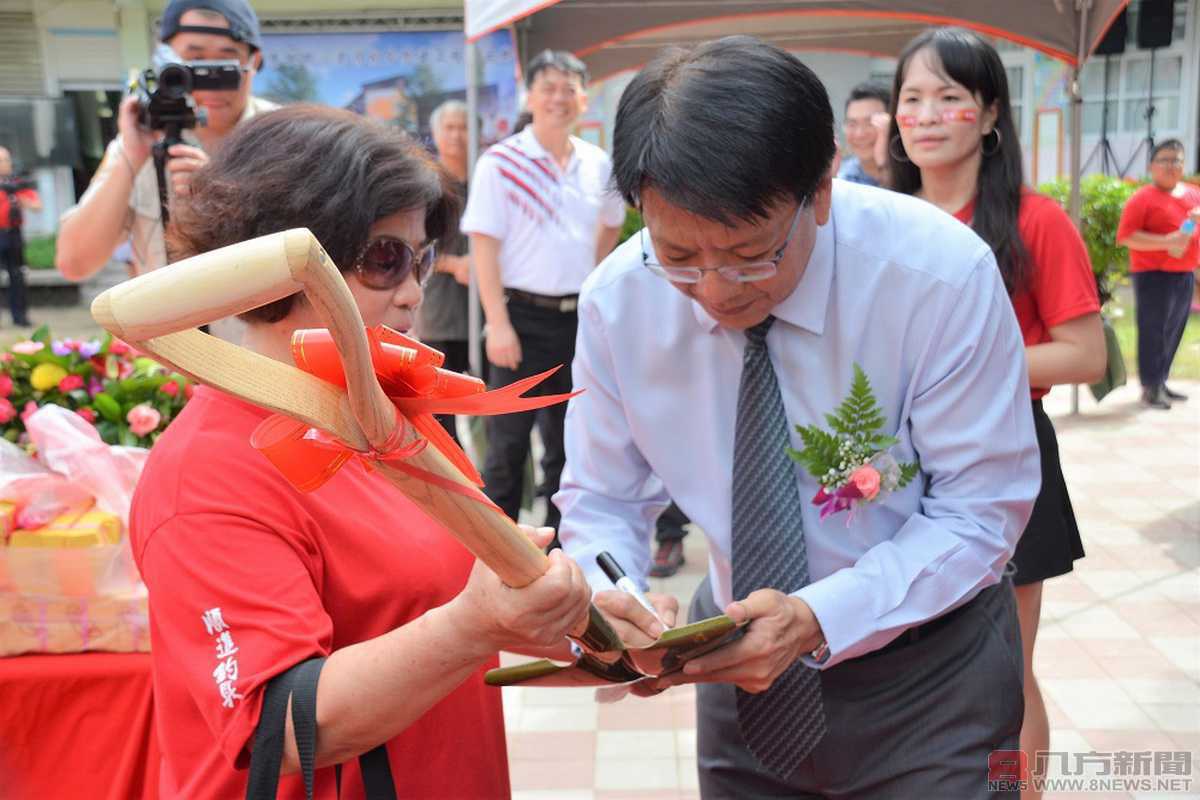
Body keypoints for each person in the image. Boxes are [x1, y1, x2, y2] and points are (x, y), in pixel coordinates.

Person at [557, 35, 1040, 797]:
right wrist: (612, 593)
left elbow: (981, 511)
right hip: (741, 677)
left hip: (928, 673)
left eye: (751, 253)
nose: (715, 290)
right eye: (679, 255)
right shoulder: (620, 303)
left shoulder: (938, 277)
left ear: (820, 190)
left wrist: (818, 618)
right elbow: (603, 497)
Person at [131, 105, 591, 799]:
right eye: (384, 259)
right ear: (275, 264)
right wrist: (475, 624)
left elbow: (455, 607)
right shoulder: (206, 472)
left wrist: (609, 642)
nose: (412, 290)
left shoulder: (393, 412)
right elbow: (278, 728)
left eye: (422, 257)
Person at [887, 28, 1106, 798]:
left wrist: (969, 365)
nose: (927, 114)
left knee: (1003, 667)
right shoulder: (879, 219)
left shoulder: (1034, 221)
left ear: (989, 116)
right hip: (895, 468)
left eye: (950, 97)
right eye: (912, 99)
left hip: (1007, 456)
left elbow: (1085, 355)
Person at [461, 50, 625, 529]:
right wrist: (497, 323)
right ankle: (500, 555)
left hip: (577, 321)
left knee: (569, 444)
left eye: (568, 88)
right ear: (529, 96)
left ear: (583, 97)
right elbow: (483, 247)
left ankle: (558, 550)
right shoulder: (502, 162)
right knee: (508, 444)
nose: (559, 98)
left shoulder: (598, 163)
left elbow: (610, 227)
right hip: (520, 320)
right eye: (548, 87)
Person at [56, 0, 276, 342]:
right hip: (170, 367)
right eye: (195, 60)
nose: (209, 79)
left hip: (266, 360)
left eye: (226, 59)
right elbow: (75, 263)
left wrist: (227, 199)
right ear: (165, 62)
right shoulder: (138, 145)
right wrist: (132, 155)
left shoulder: (289, 139)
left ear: (254, 62)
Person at [1116, 139, 1200, 409]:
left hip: (1184, 272)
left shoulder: (1193, 195)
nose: (1171, 166)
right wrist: (1167, 241)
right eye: (1164, 160)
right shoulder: (1142, 198)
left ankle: (1161, 381)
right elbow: (1127, 237)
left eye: (1177, 160)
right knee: (1153, 330)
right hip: (1153, 274)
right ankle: (1150, 387)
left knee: (1174, 330)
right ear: (1152, 166)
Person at [416, 100, 472, 442]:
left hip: (488, 313)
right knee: (441, 413)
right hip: (440, 312)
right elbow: (411, 245)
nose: (456, 135)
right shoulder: (425, 182)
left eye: (463, 127)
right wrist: (453, 264)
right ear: (435, 134)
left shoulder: (487, 176)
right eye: (449, 128)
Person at [0, 145, 40, 327]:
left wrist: (19, 197)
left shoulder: (16, 183)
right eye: (2, 160)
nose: (5, 164)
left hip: (13, 234)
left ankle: (20, 317)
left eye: (6, 160)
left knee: (17, 275)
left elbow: (37, 205)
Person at [836, 82, 891, 188]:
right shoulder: (842, 180)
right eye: (852, 124)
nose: (860, 134)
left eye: (871, 123)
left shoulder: (918, 172)